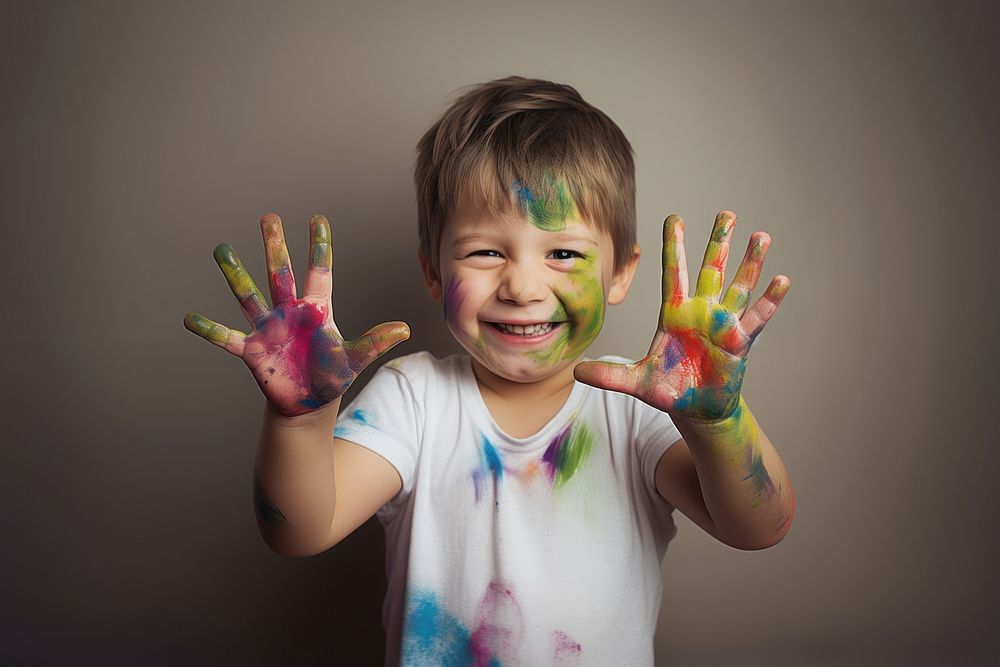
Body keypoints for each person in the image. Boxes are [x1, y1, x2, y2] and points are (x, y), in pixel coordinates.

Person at [184, 76, 795, 666]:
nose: (523, 286)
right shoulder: (414, 399)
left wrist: (720, 423)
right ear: (433, 272)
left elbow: (759, 527)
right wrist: (300, 420)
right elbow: (299, 531)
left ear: (620, 273)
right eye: (485, 251)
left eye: (563, 254)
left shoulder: (638, 407)